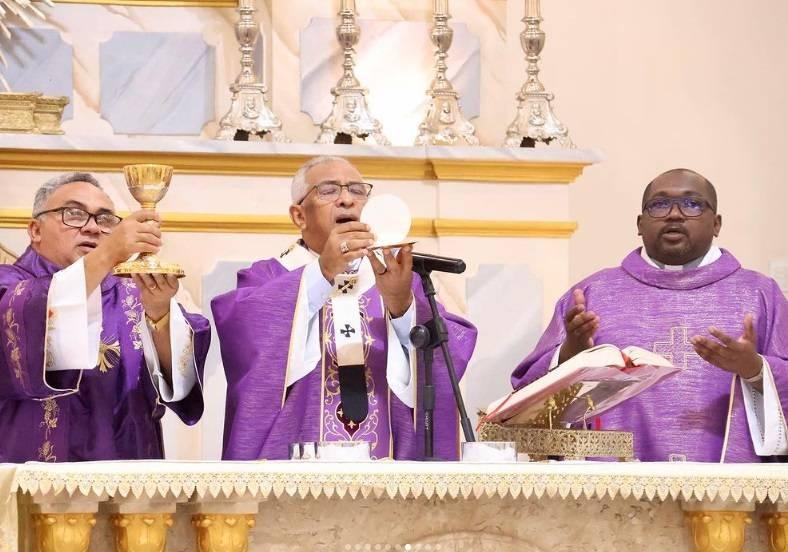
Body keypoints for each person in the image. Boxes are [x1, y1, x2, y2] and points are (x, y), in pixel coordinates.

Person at [512, 168, 788, 462]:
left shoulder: (760, 294)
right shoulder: (592, 293)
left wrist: (756, 369)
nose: (675, 215)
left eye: (692, 204)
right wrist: (570, 355)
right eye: (659, 204)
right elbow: (525, 398)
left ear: (717, 223)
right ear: (640, 223)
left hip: (726, 497)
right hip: (609, 490)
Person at [213, 156, 477, 460]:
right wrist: (321, 274)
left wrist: (402, 306)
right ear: (299, 215)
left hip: (388, 478)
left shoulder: (401, 279)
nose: (347, 200)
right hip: (295, 478)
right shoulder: (268, 279)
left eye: (357, 189)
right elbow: (244, 342)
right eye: (328, 191)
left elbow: (448, 353)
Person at [0, 173, 210, 462]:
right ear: (35, 229)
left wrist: (160, 313)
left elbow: (181, 385)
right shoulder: (9, 285)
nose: (92, 228)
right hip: (33, 477)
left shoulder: (133, 291)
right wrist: (109, 252)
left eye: (105, 219)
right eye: (73, 214)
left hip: (128, 480)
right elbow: (25, 314)